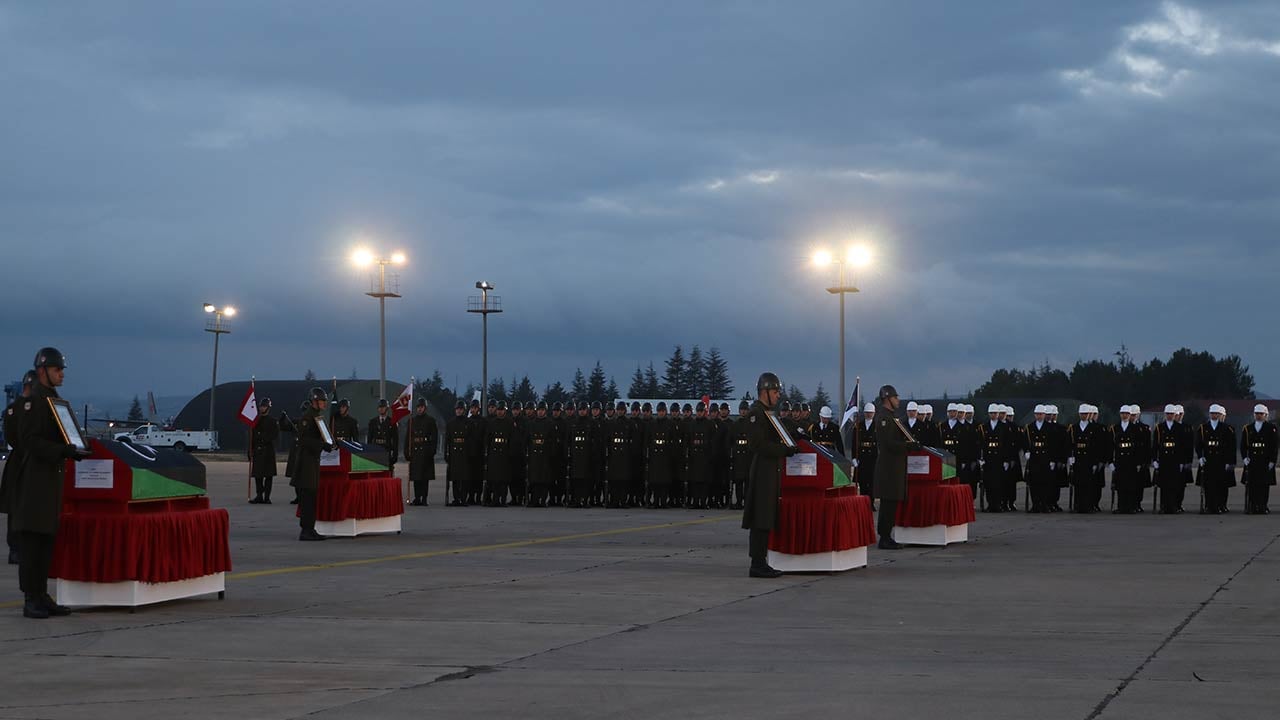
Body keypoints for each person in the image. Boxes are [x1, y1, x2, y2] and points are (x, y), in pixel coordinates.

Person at [17, 348, 88, 618]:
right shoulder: (34, 401)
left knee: (46, 541)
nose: (62, 374)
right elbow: (29, 441)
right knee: (32, 542)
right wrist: (63, 451)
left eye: (61, 370)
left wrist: (75, 448)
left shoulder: (52, 399)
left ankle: (42, 594)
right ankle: (30, 598)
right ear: (42, 371)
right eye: (57, 370)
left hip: (50, 481)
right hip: (35, 482)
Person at [742, 372, 799, 578]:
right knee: (760, 518)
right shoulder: (756, 413)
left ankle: (761, 561)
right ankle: (757, 563)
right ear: (764, 392)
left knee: (766, 517)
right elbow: (757, 444)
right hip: (763, 470)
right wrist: (783, 450)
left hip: (771, 469)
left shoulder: (769, 413)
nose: (778, 396)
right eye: (775, 392)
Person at [873, 385, 921, 550]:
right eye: (895, 397)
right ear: (887, 398)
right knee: (888, 503)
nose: (898, 400)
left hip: (895, 467)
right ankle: (884, 536)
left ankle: (887, 535)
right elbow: (888, 444)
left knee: (892, 503)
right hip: (889, 468)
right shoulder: (884, 418)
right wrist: (907, 446)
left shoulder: (893, 417)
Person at [291, 387, 334, 541]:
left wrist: (328, 443)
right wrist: (321, 445)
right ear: (314, 401)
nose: (324, 403)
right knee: (308, 498)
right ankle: (306, 530)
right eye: (322, 400)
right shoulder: (307, 418)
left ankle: (310, 528)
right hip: (306, 463)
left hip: (313, 462)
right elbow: (302, 440)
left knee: (312, 497)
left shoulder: (317, 417)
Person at [1, 371, 35, 564]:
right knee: (17, 508)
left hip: (19, 460)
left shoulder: (12, 409)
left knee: (17, 508)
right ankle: (16, 548)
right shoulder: (22, 409)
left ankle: (16, 549)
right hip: (24, 461)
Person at [1196, 404, 1236, 514]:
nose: (1214, 415)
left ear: (1219, 415)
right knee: (1208, 485)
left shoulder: (1226, 429)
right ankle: (1209, 505)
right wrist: (1200, 456)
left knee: (1220, 485)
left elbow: (1231, 447)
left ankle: (1218, 505)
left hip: (1220, 461)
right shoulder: (1203, 428)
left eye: (1216, 413)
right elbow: (1198, 444)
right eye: (1212, 413)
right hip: (1208, 461)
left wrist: (1229, 461)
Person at [1240, 403, 1277, 514]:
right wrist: (1244, 458)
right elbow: (1243, 446)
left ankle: (1262, 506)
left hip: (1265, 461)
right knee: (1252, 485)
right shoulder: (1248, 428)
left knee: (1264, 486)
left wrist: (1272, 460)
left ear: (1266, 415)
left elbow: (1274, 446)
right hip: (1253, 461)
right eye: (1257, 413)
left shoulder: (1271, 428)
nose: (1259, 416)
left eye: (1261, 414)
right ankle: (1252, 506)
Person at [407, 398, 439, 506]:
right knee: (416, 477)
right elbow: (408, 438)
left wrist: (432, 452)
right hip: (415, 451)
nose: (420, 409)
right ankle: (417, 497)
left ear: (425, 408)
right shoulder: (412, 421)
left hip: (425, 451)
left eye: (422, 407)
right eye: (418, 407)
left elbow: (434, 438)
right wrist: (407, 452)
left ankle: (424, 498)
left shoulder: (430, 421)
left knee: (425, 477)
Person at [248, 397, 279, 504]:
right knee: (258, 475)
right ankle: (259, 495)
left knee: (268, 475)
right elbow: (252, 437)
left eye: (264, 406)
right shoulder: (255, 421)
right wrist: (250, 450)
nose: (262, 408)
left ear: (268, 408)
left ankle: (267, 497)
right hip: (258, 451)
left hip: (268, 451)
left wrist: (263, 437)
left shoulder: (273, 421)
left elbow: (274, 435)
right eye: (261, 406)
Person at [367, 399, 400, 477]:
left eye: (383, 407)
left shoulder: (392, 422)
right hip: (376, 453)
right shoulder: (373, 422)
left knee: (387, 477)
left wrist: (395, 455)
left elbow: (395, 440)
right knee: (375, 478)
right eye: (380, 407)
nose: (381, 409)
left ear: (387, 408)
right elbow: (369, 439)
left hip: (387, 453)